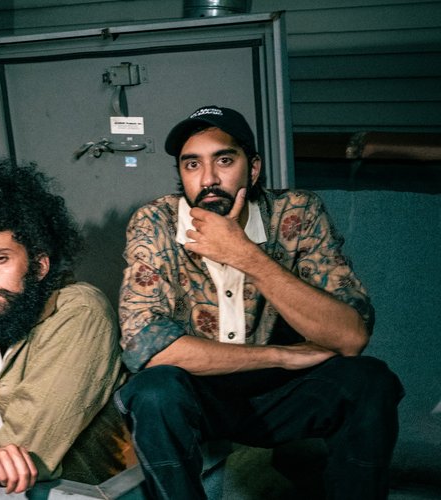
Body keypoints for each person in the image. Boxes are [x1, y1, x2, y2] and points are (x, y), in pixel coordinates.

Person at [114, 105, 404, 499]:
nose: (208, 179)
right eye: (192, 165)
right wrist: (280, 356)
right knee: (152, 391)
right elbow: (146, 347)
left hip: (276, 395)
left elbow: (350, 337)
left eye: (224, 161)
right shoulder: (156, 222)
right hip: (201, 390)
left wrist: (245, 255)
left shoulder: (297, 212)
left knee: (370, 381)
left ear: (252, 169)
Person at [0, 162, 132, 497]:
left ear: (39, 265)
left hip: (72, 493)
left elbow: (28, 447)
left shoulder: (80, 312)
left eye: (0, 259)